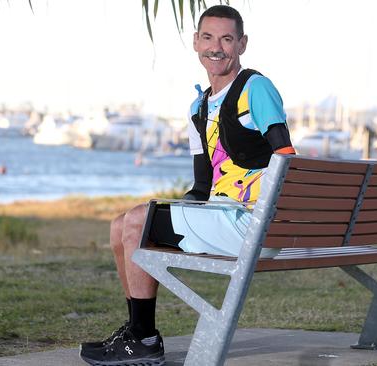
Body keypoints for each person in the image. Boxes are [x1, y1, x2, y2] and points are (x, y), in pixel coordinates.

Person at [79, 5, 295, 366]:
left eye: (227, 39)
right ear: (196, 42)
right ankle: (136, 331)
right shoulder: (199, 107)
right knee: (123, 225)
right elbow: (201, 186)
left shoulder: (255, 88)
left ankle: (144, 340)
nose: (216, 47)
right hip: (224, 216)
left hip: (251, 223)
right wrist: (169, 213)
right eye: (208, 37)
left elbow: (286, 156)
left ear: (242, 44)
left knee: (137, 223)